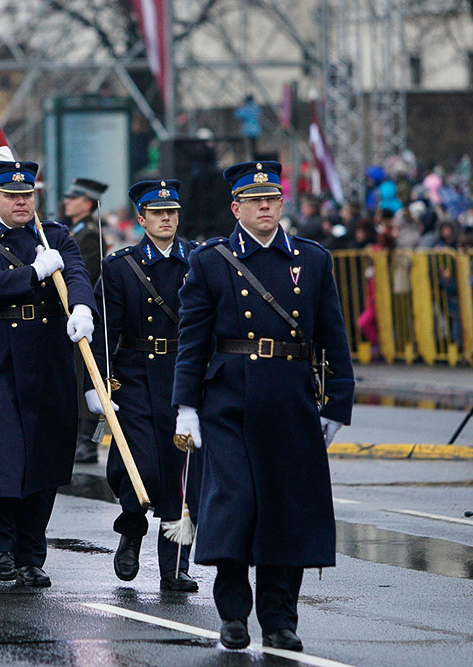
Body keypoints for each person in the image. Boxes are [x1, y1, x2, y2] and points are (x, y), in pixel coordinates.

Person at [171, 161, 354, 651]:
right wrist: (186, 405)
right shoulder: (212, 260)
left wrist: (337, 400)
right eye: (255, 201)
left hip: (290, 400)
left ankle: (279, 619)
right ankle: (233, 614)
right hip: (228, 400)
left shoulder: (313, 260)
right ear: (237, 208)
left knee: (286, 513)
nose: (266, 207)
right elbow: (192, 340)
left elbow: (333, 335)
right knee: (234, 506)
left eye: (272, 199)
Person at [0, 160, 97, 587]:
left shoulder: (54, 234)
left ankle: (31, 553)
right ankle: (0, 546)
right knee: (6, 454)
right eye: (12, 195)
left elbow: (77, 273)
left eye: (27, 195)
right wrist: (33, 272)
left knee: (45, 456)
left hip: (48, 356)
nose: (21, 202)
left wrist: (83, 306)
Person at [87, 178, 199, 592]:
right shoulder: (121, 266)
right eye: (158, 212)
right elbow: (103, 332)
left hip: (184, 374)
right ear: (141, 218)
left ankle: (175, 567)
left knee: (181, 473)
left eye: (172, 212)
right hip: (134, 376)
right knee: (140, 465)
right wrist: (96, 384)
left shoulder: (198, 261)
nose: (167, 219)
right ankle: (131, 527)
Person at [59, 177, 108, 464]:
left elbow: (83, 275)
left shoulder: (89, 234)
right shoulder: (75, 230)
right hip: (70, 313)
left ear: (87, 203)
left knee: (83, 376)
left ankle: (87, 442)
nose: (67, 202)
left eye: (72, 198)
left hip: (82, 312)